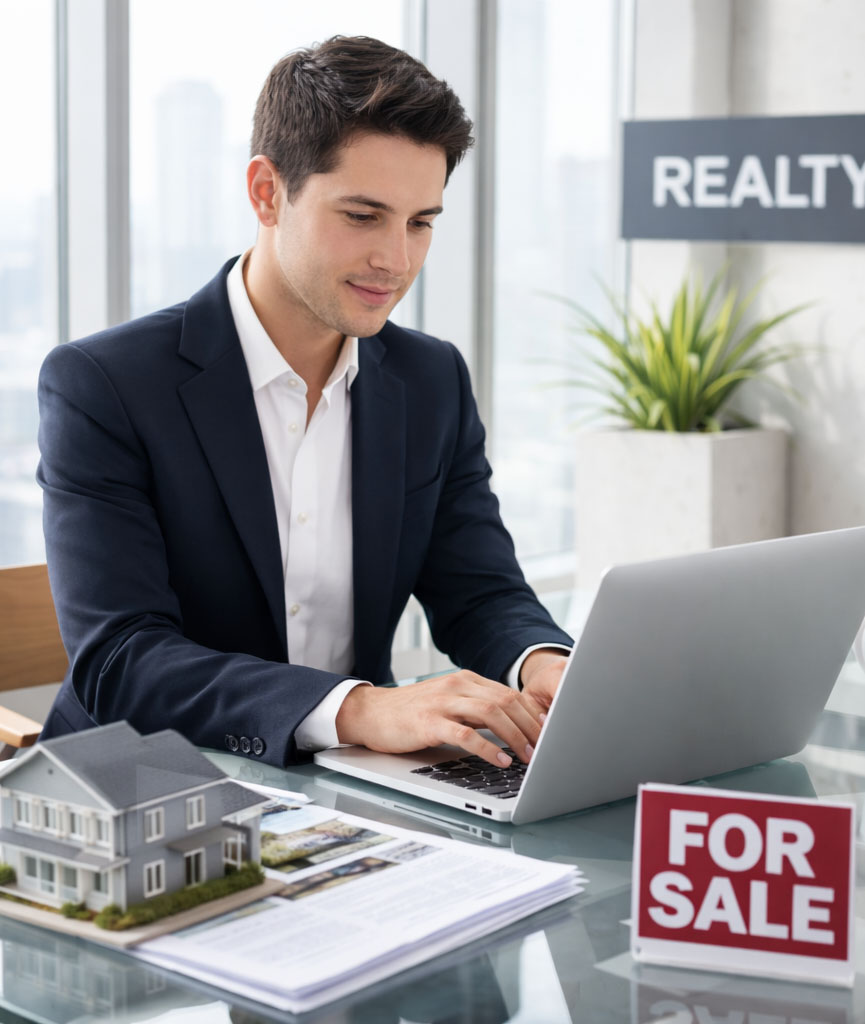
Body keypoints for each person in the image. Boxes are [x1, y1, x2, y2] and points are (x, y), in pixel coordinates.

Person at [37, 35, 572, 770]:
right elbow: (123, 660)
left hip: (354, 786)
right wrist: (360, 708)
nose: (397, 259)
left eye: (420, 222)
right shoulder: (105, 383)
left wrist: (546, 666)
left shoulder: (430, 379)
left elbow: (478, 592)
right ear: (266, 192)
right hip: (144, 783)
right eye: (362, 215)